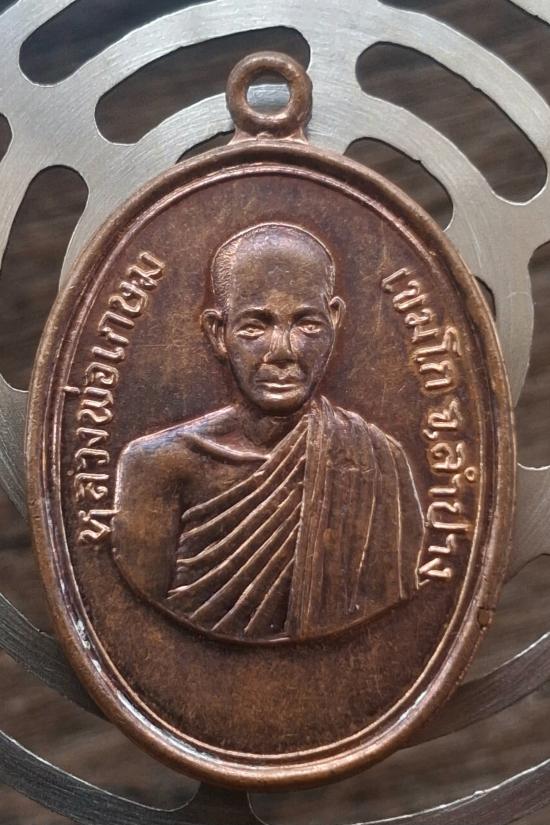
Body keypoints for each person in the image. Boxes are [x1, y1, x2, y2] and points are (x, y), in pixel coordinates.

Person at [112, 222, 423, 643]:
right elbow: (133, 632)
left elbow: (402, 627)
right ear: (218, 333)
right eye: (255, 327)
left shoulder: (377, 460)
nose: (283, 352)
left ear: (334, 320)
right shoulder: (158, 464)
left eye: (307, 325)